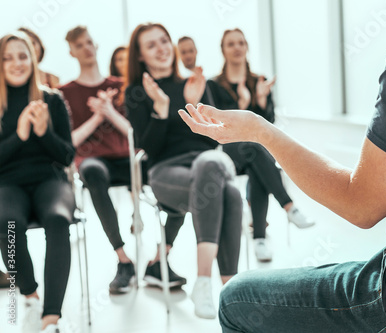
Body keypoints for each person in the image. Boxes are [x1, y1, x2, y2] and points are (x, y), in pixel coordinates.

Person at [179, 1, 386, 331]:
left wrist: (261, 129)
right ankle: (284, 211)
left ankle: (285, 208)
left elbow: (361, 206)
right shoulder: (215, 83)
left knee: (235, 300)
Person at [125, 22, 242, 319]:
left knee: (219, 177)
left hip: (208, 170)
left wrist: (194, 103)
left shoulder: (196, 83)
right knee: (222, 182)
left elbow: (216, 137)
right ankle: (224, 287)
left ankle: (219, 288)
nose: (162, 48)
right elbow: (148, 149)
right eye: (151, 45)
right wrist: (161, 109)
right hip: (166, 173)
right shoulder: (137, 92)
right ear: (140, 56)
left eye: (164, 40)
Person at [60, 26, 187, 295]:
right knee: (92, 171)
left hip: (129, 159)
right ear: (71, 51)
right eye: (80, 45)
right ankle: (123, 260)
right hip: (95, 162)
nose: (86, 48)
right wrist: (97, 117)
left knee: (173, 170)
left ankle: (159, 259)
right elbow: (69, 142)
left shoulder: (122, 87)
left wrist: (108, 110)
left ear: (96, 45)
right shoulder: (65, 93)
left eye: (90, 42)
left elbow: (136, 134)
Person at [207, 28, 314, 262]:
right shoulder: (213, 85)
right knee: (256, 149)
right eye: (231, 44)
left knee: (258, 166)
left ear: (247, 47)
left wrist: (262, 100)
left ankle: (260, 240)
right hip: (229, 151)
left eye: (241, 43)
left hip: (256, 153)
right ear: (223, 50)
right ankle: (289, 207)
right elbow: (218, 125)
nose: (237, 47)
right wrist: (242, 104)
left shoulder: (259, 81)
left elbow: (269, 124)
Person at [0, 32, 75, 333]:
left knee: (58, 219)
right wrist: (20, 135)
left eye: (22, 55)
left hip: (49, 180)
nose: (16, 63)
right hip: (7, 184)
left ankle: (51, 318)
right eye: (7, 57)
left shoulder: (52, 100)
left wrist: (44, 132)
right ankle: (29, 293)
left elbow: (67, 156)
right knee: (8, 222)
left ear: (32, 59)